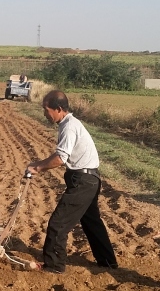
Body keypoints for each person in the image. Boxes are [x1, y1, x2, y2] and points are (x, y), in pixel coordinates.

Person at [25, 90, 118, 273]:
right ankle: (107, 262)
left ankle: (54, 266)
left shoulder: (69, 126)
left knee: (58, 224)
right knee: (92, 222)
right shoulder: (68, 124)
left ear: (59, 109)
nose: (45, 113)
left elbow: (60, 158)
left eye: (46, 109)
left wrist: (37, 167)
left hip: (84, 181)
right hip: (89, 179)